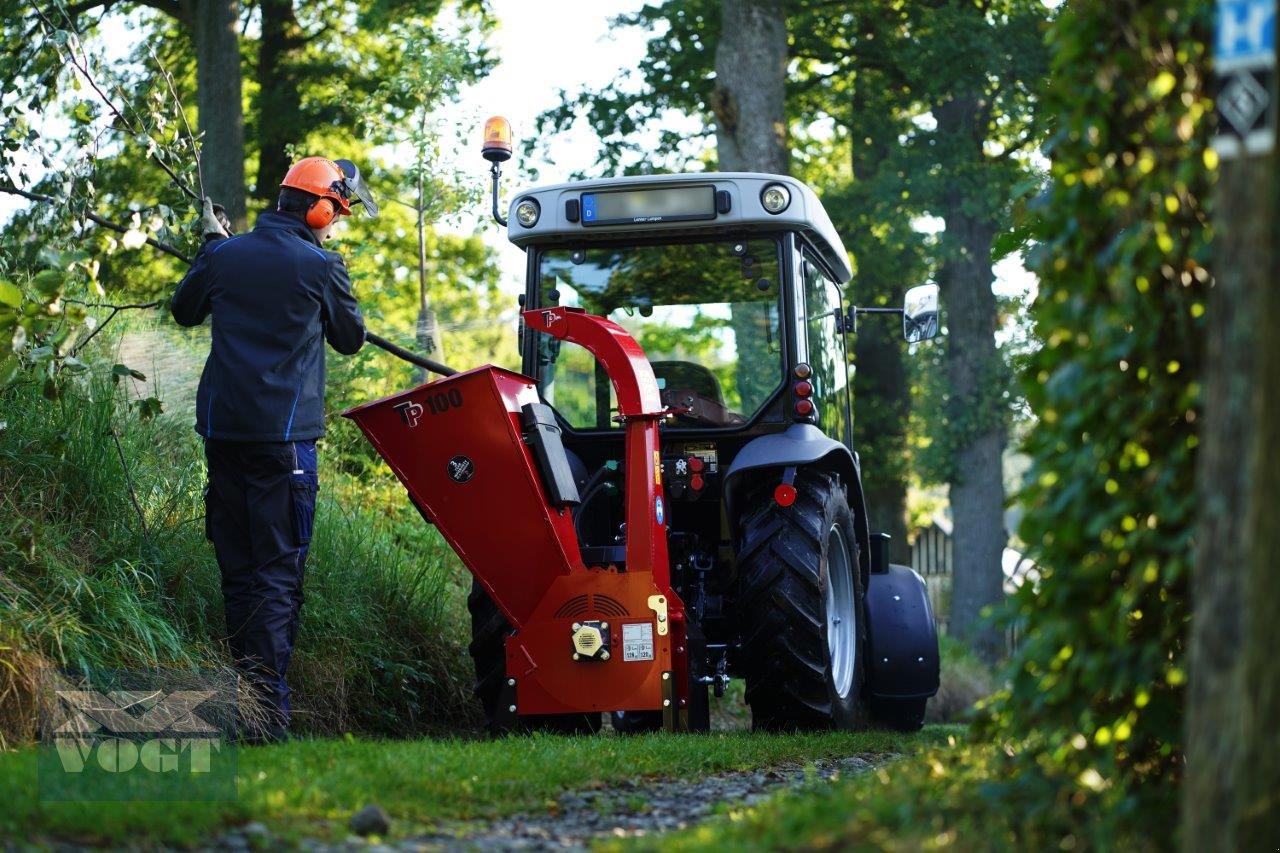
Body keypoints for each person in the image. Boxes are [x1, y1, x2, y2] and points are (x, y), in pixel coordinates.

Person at [171, 157, 377, 742]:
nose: (335, 224)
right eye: (336, 212)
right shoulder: (321, 265)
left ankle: (246, 710)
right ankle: (267, 718)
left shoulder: (222, 255)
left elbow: (184, 310)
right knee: (278, 577)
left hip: (224, 438)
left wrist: (211, 247)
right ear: (317, 206)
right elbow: (351, 339)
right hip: (283, 446)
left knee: (238, 574)